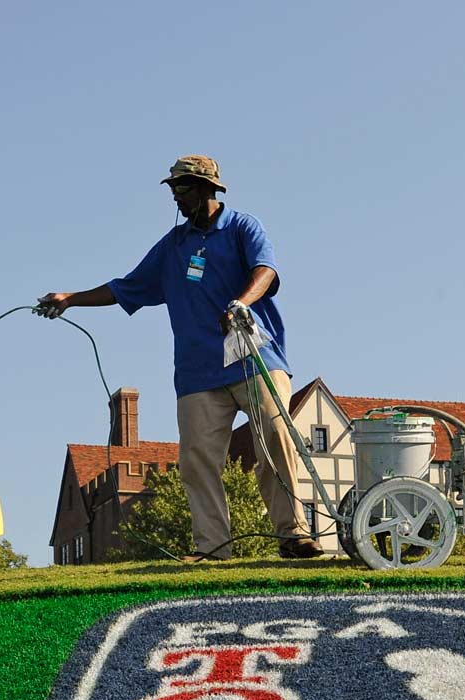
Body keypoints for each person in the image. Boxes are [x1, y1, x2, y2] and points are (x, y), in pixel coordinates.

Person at [37, 154, 320, 561]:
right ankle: (213, 548)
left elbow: (266, 271)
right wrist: (71, 299)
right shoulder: (173, 247)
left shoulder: (242, 226)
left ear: (208, 188)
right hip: (197, 374)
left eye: (182, 187)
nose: (176, 196)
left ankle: (293, 533)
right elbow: (125, 287)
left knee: (275, 437)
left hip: (254, 358)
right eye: (172, 189)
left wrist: (240, 302)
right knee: (195, 461)